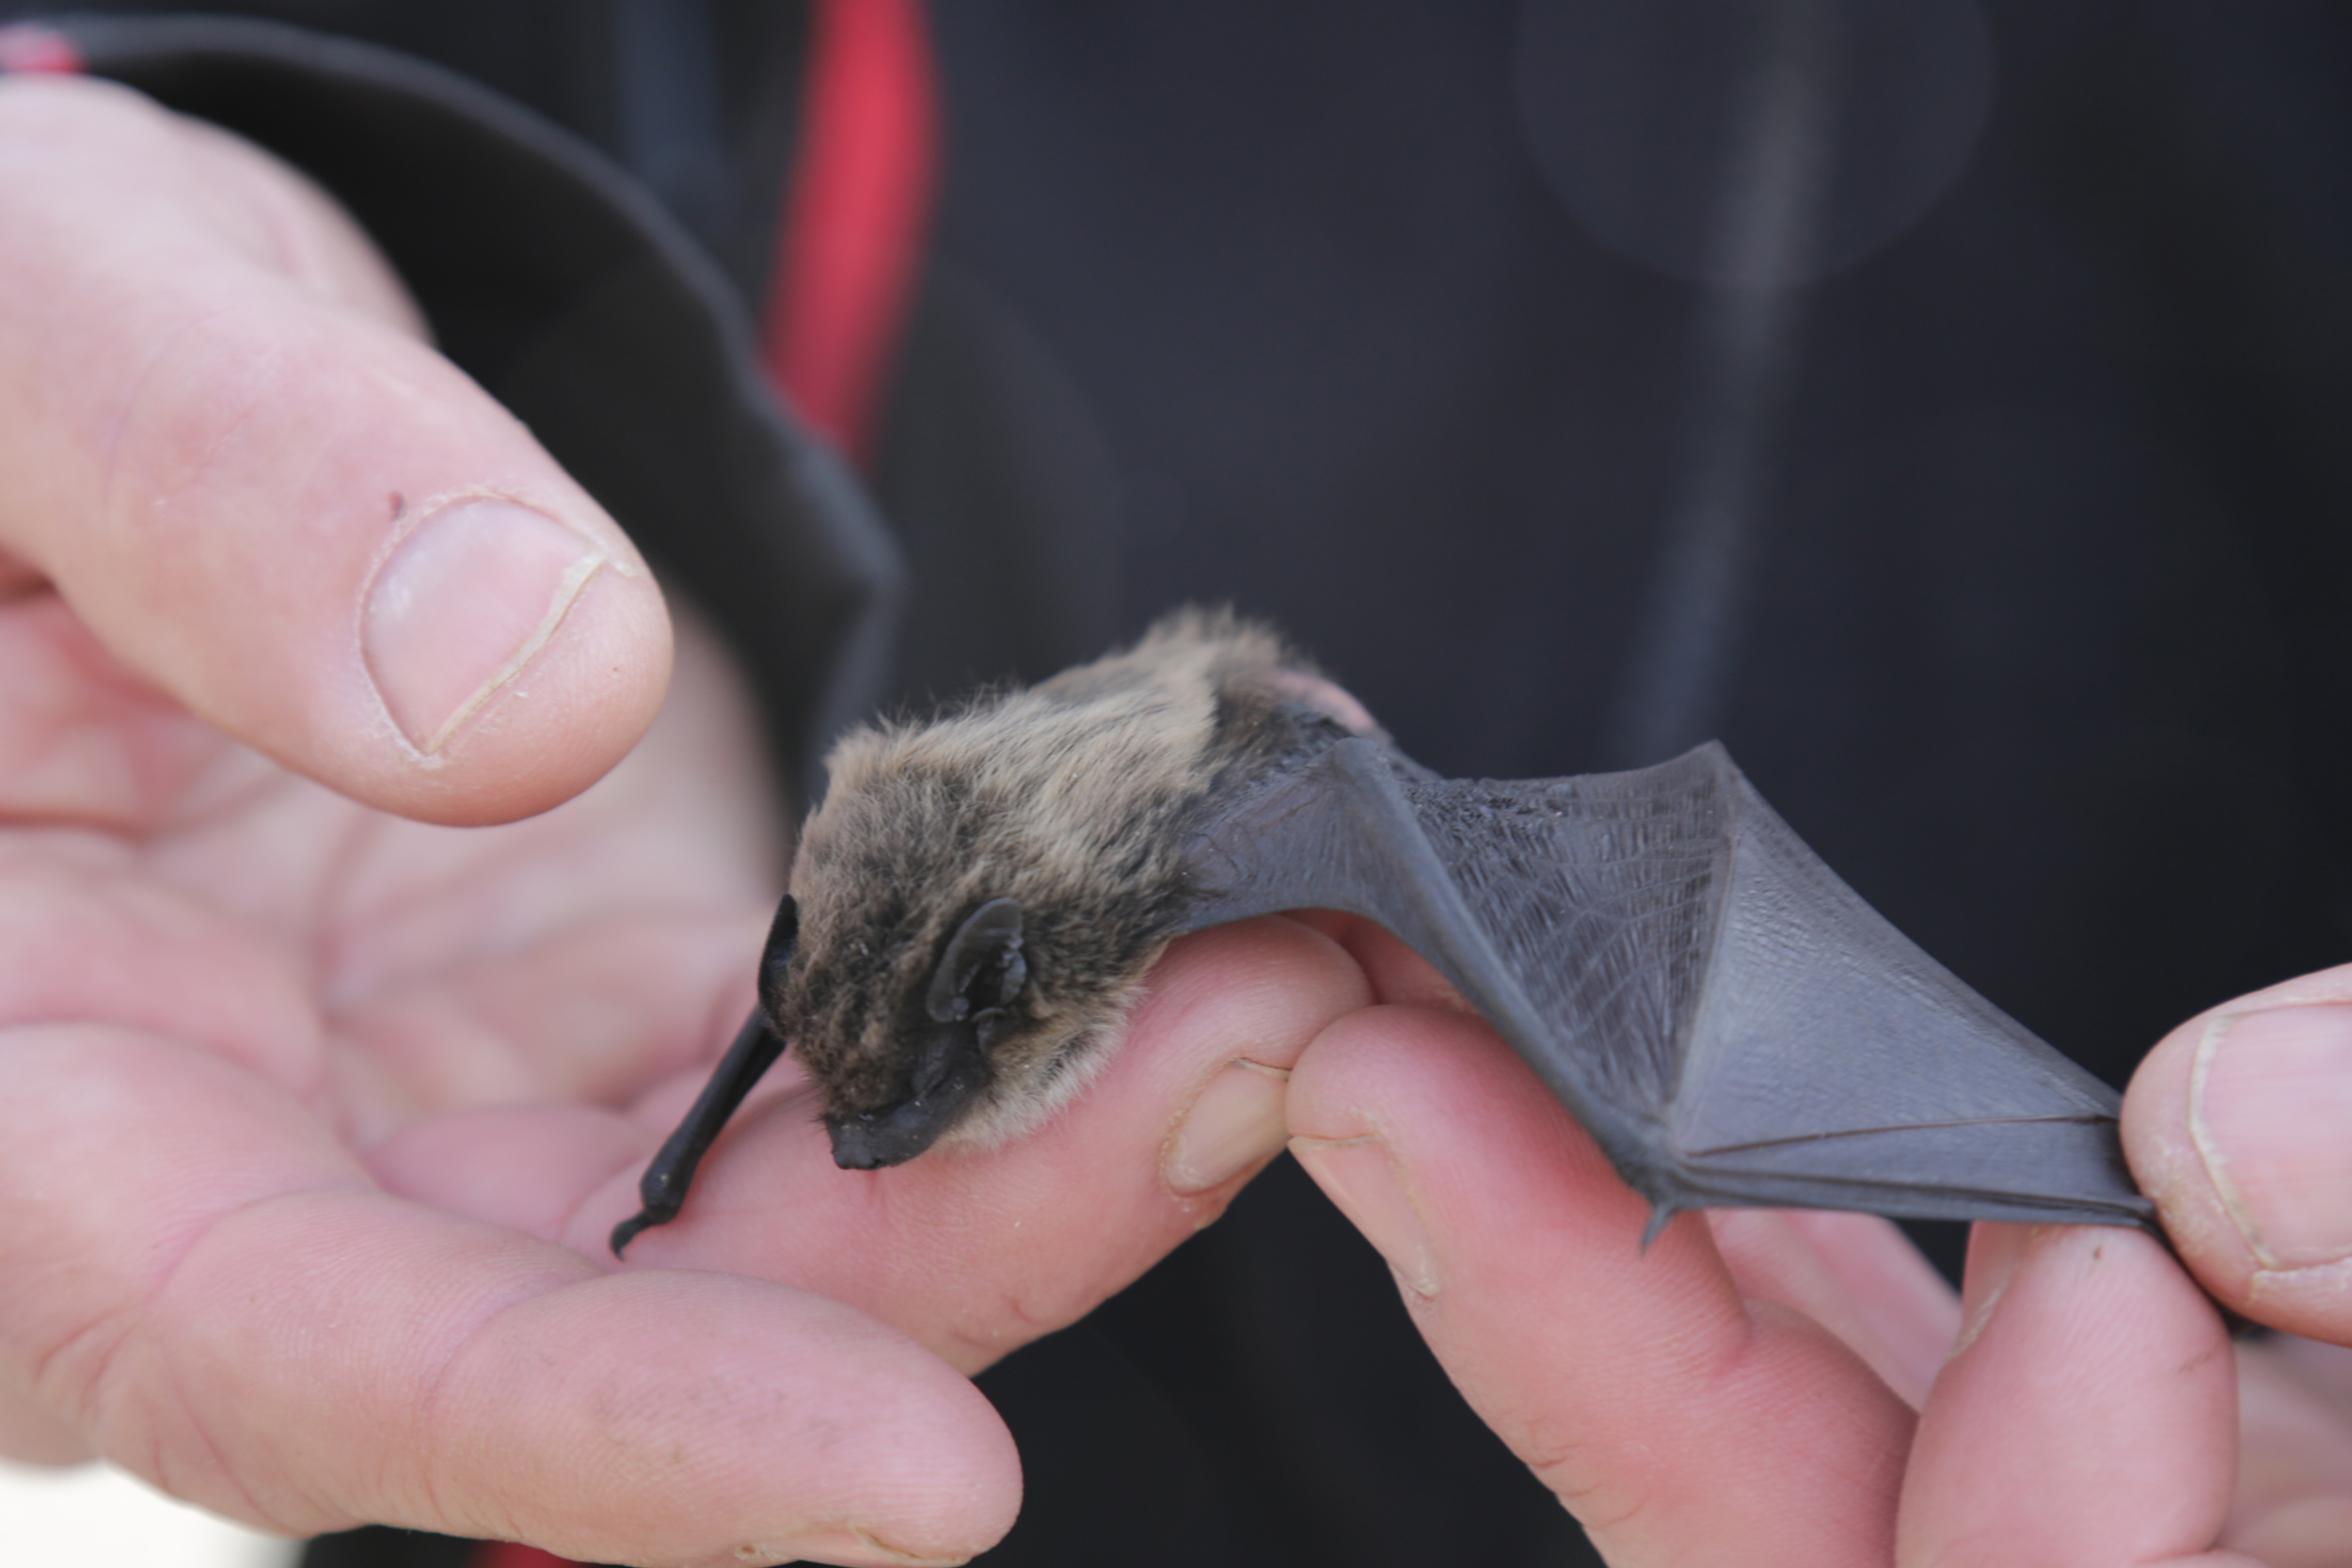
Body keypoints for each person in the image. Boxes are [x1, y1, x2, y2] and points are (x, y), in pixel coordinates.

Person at [0, 6, 2347, 1566]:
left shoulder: (1175, 880)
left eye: (907, 1062)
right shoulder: (865, 960)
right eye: (844, 1058)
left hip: (1258, 793)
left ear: (1031, 987)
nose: (878, 1102)